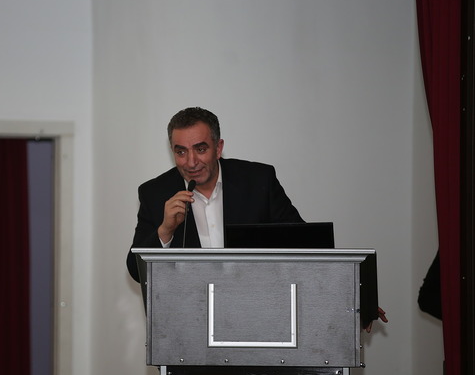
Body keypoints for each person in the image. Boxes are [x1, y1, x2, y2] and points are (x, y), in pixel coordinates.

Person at [125, 106, 387, 329]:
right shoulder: (155, 193)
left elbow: (304, 246)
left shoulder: (258, 181)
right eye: (181, 151)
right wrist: (165, 231)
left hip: (260, 321)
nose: (191, 162)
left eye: (200, 149)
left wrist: (349, 300)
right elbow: (136, 271)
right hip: (189, 326)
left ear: (218, 148)